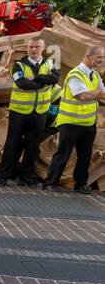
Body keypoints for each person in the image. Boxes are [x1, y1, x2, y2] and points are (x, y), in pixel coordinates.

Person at [0, 37, 58, 185]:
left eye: (36, 47)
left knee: (32, 145)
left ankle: (25, 176)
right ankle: (3, 176)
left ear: (43, 48)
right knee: (12, 143)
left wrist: (35, 77)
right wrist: (43, 82)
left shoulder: (49, 63)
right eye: (31, 47)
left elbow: (55, 78)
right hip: (19, 111)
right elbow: (22, 83)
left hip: (40, 111)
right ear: (27, 49)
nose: (33, 50)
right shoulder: (18, 66)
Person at [42, 45, 104, 193]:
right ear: (88, 57)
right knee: (63, 153)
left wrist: (94, 93)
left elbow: (101, 93)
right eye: (99, 57)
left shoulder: (95, 75)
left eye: (103, 58)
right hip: (70, 122)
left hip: (88, 123)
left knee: (85, 156)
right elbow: (82, 95)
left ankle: (80, 184)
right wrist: (97, 92)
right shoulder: (75, 74)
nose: (102, 60)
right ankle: (50, 183)